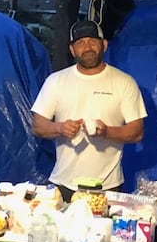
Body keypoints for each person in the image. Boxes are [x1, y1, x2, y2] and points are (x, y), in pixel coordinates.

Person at [30, 19, 147, 200]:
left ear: (104, 45)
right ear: (72, 49)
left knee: (103, 229)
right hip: (64, 183)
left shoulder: (124, 82)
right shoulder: (56, 81)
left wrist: (107, 132)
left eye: (93, 41)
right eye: (80, 43)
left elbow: (137, 132)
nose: (87, 47)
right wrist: (60, 128)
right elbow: (38, 126)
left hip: (107, 186)